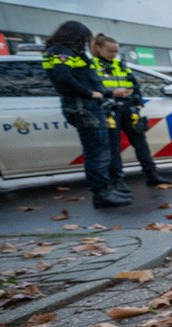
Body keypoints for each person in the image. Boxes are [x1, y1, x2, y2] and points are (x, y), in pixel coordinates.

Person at [42, 21, 131, 208]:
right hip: (83, 106)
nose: (87, 42)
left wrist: (108, 93)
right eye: (85, 38)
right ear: (76, 36)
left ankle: (105, 189)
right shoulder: (63, 52)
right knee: (97, 151)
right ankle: (101, 194)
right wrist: (89, 93)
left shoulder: (67, 52)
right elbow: (63, 77)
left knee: (99, 149)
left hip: (86, 105)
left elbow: (84, 80)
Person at [90, 34, 172, 189]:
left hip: (128, 108)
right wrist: (112, 94)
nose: (113, 54)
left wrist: (138, 103)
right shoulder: (92, 66)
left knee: (140, 143)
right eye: (110, 51)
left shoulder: (120, 64)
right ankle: (118, 181)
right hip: (108, 110)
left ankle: (152, 175)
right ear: (98, 48)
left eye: (115, 51)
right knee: (114, 147)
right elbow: (92, 89)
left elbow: (135, 86)